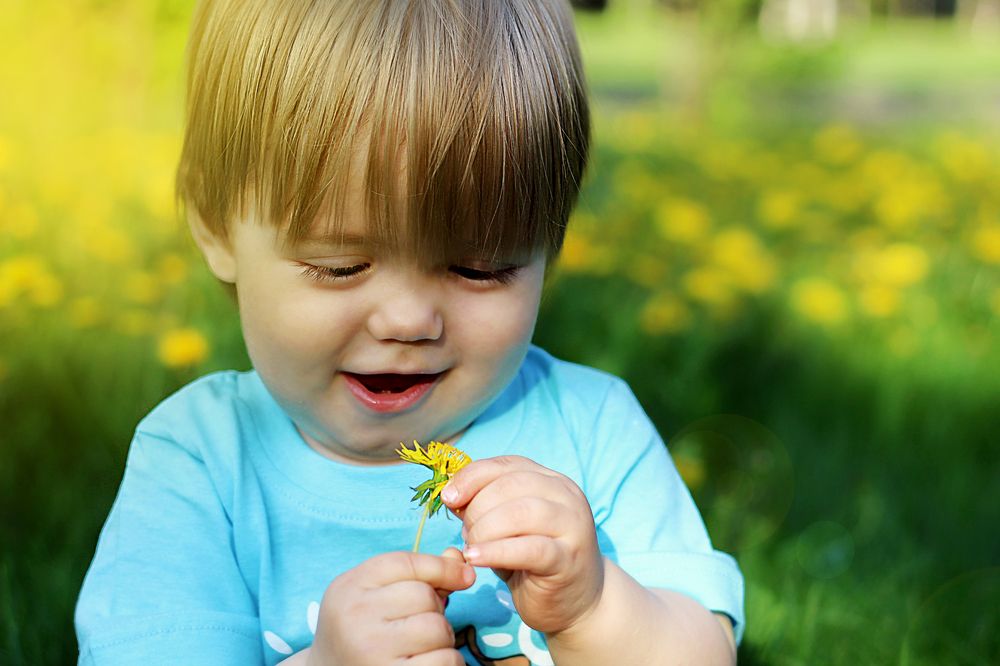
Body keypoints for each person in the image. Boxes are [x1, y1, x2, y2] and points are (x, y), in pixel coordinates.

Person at [75, 1, 744, 664]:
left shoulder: (592, 430)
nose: (408, 321)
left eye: (479, 268)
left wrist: (592, 609)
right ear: (216, 227)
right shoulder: (201, 465)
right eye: (341, 265)